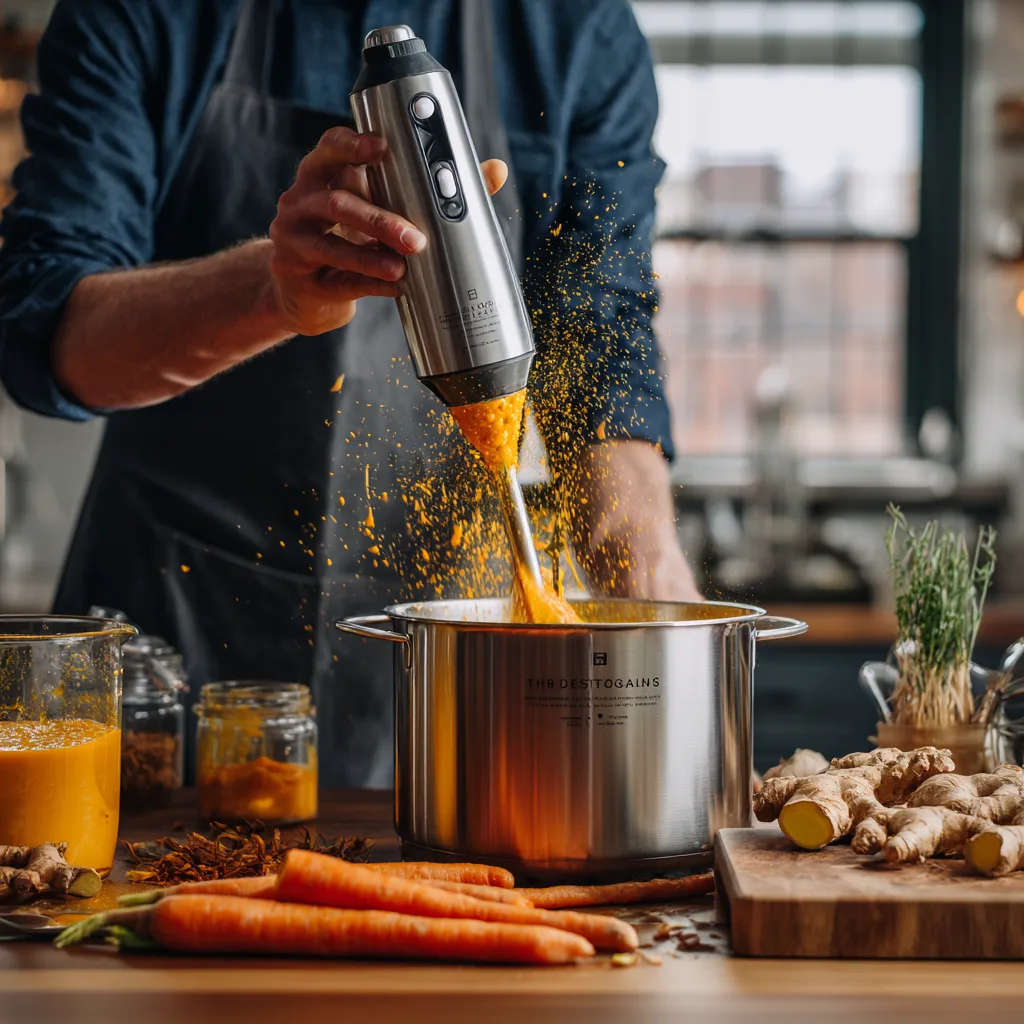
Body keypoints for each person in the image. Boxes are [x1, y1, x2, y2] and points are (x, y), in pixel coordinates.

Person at [0, 0, 699, 786]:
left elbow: (599, 329)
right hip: (173, 633)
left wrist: (654, 597)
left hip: (440, 644)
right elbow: (52, 340)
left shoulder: (574, 27)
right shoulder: (143, 13)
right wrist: (271, 287)